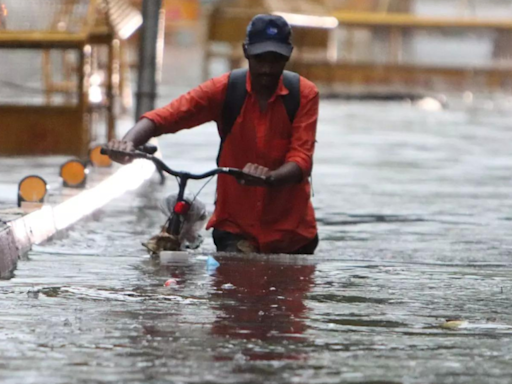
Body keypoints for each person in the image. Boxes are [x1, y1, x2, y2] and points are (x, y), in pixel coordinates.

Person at [106, 14, 319, 254]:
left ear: (288, 55)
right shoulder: (226, 90)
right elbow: (166, 116)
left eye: (276, 60)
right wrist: (127, 143)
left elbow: (301, 159)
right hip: (236, 230)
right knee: (231, 286)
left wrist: (270, 177)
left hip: (292, 235)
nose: (267, 69)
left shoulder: (304, 95)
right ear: (246, 52)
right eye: (260, 59)